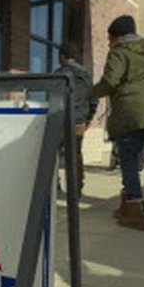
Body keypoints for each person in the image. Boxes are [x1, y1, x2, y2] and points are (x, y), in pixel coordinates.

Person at [92, 16, 144, 231]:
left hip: (131, 114)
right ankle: (129, 205)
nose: (108, 43)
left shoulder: (119, 51)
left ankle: (135, 210)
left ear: (117, 36)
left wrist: (91, 94)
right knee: (132, 159)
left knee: (128, 161)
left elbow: (110, 81)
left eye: (109, 38)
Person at [54, 43, 98, 197]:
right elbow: (93, 99)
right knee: (75, 155)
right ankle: (76, 189)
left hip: (60, 121)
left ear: (62, 57)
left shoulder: (59, 74)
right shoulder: (86, 75)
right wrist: (88, 119)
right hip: (79, 121)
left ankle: (54, 186)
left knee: (53, 154)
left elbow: (54, 99)